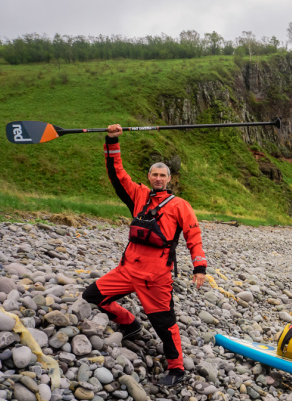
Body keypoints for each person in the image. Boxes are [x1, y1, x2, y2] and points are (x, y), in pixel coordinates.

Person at [83, 124, 207, 386]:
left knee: (165, 323)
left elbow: (193, 237)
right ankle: (130, 323)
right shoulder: (138, 195)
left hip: (156, 276)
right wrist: (112, 140)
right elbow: (117, 174)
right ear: (149, 177)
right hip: (127, 270)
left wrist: (199, 267)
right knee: (92, 296)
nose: (159, 178)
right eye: (155, 174)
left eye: (163, 175)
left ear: (169, 179)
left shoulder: (180, 205)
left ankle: (176, 368)